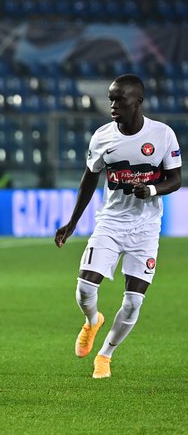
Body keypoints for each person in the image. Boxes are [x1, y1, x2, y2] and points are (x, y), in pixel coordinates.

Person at [54, 74, 182, 379]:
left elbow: (175, 179)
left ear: (137, 102)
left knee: (134, 301)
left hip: (146, 228)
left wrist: (151, 190)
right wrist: (72, 222)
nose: (112, 105)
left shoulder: (163, 135)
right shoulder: (102, 137)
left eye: (119, 99)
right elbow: (89, 179)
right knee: (85, 287)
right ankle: (92, 321)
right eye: (110, 98)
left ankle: (105, 356)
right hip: (110, 223)